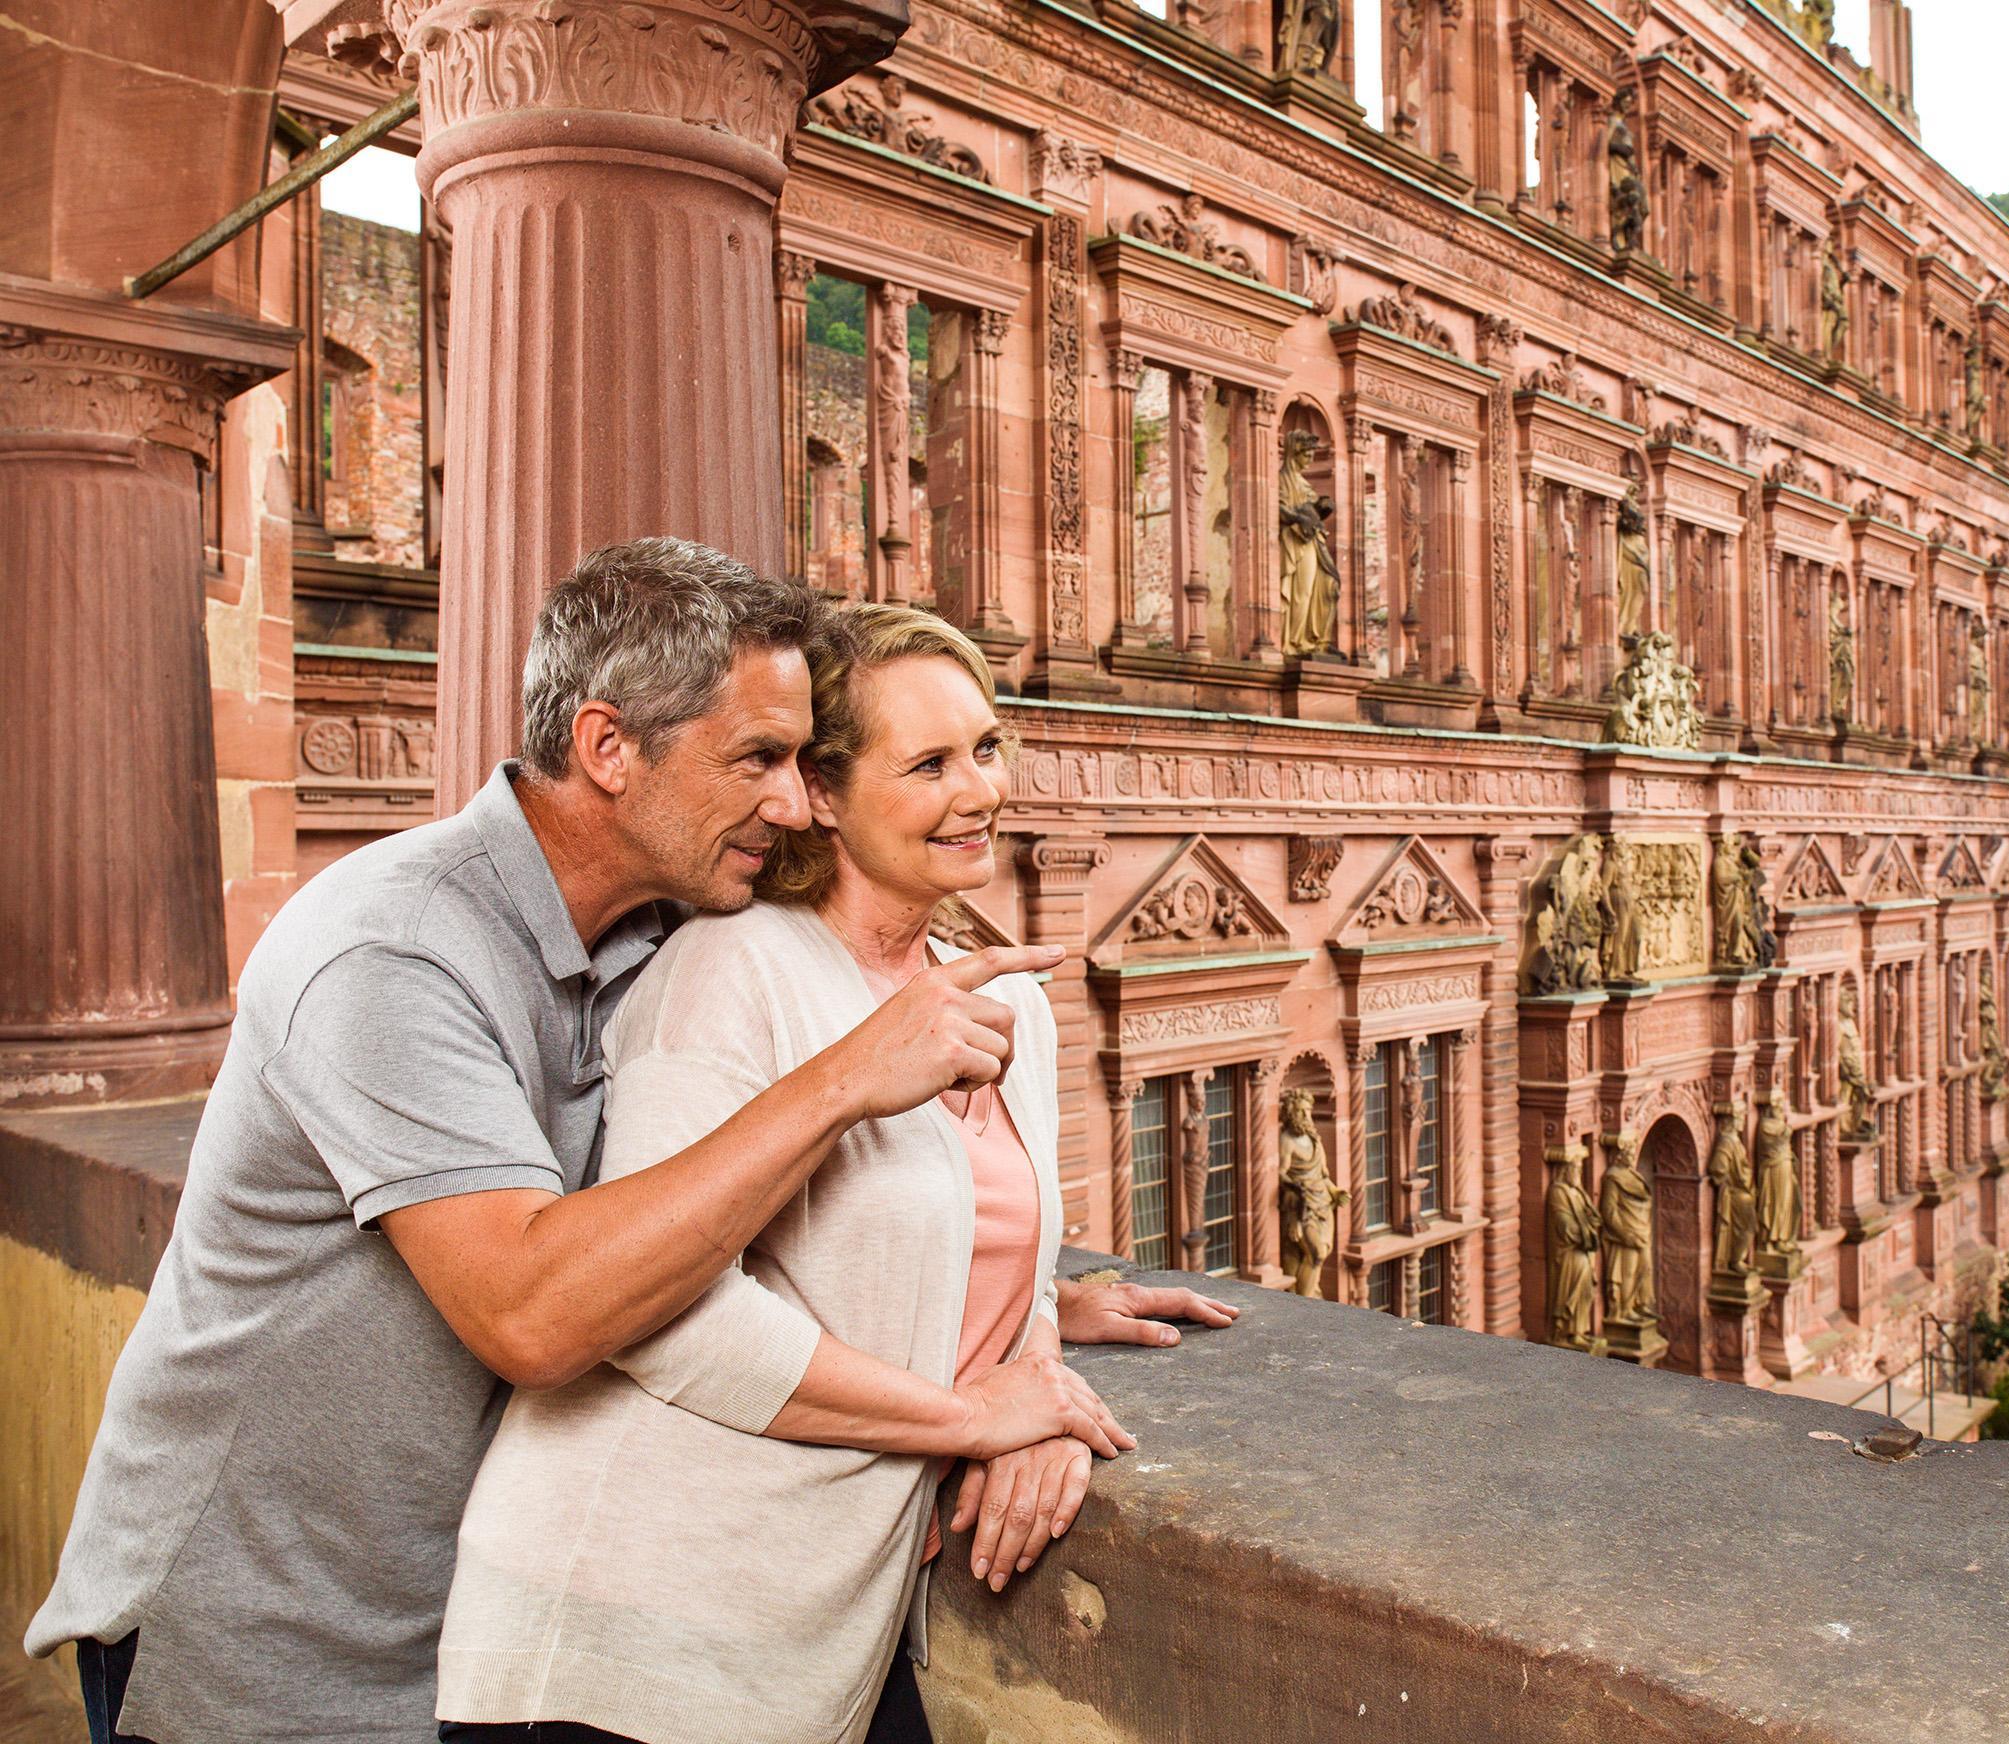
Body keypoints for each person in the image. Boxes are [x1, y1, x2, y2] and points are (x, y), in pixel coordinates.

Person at [28, 540, 1225, 1744]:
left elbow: (707, 1211)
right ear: (608, 749)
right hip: (268, 1629)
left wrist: (1008, 1295)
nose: (786, 797)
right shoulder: (388, 952)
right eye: (756, 757)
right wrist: (845, 1087)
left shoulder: (665, 926)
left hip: (459, 1606)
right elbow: (534, 1311)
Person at [433, 603, 1119, 1743]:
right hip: (620, 1630)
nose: (980, 789)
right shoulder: (731, 969)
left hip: (814, 1643)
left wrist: (1043, 1388)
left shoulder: (1015, 1003)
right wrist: (967, 1419)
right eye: (932, 763)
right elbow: (670, 1323)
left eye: (989, 747)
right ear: (828, 796)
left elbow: (1005, 1270)